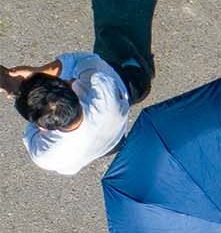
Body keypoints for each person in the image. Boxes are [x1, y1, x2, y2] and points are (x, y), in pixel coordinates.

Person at [5, 29, 152, 175]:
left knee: (110, 143)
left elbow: (32, 133)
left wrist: (16, 87)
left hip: (107, 145)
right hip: (119, 100)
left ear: (42, 127)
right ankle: (139, 69)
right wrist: (38, 71)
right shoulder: (99, 85)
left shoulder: (44, 156)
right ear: (70, 84)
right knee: (133, 80)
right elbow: (78, 60)